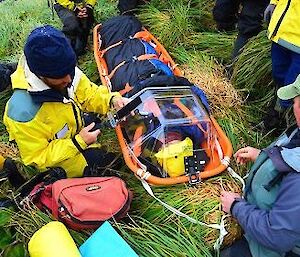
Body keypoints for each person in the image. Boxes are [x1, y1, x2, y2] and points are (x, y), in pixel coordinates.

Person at [3, 25, 129, 178]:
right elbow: (38, 159)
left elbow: (89, 94)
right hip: (58, 162)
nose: (69, 80)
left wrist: (111, 101)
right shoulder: (22, 113)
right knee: (114, 167)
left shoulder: (64, 70)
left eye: (70, 70)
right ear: (40, 75)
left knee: (96, 124)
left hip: (72, 131)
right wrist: (77, 143)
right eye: (60, 76)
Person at [220, 75, 300, 257]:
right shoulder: (299, 131)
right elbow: (291, 158)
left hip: (275, 249)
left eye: (295, 102)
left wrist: (235, 207)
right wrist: (264, 157)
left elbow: (277, 236)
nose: (293, 108)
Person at [261, 0, 300, 131]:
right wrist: (274, 2)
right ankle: (278, 111)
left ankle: (283, 122)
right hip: (281, 33)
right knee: (278, 74)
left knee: (292, 84)